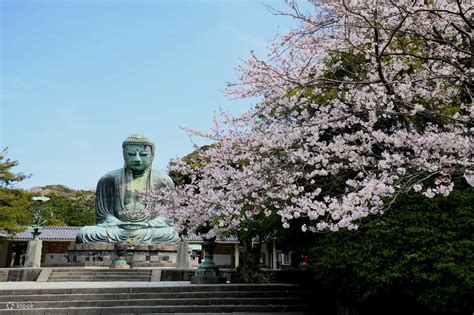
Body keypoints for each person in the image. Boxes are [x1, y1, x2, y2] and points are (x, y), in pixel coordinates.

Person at [75, 134, 179, 243]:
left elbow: (167, 217)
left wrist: (149, 224)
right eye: (131, 154)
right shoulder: (108, 179)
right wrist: (119, 223)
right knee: (84, 233)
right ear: (124, 154)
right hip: (118, 229)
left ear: (152, 155)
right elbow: (103, 216)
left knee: (173, 234)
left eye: (143, 154)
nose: (137, 159)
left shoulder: (164, 180)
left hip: (148, 230)